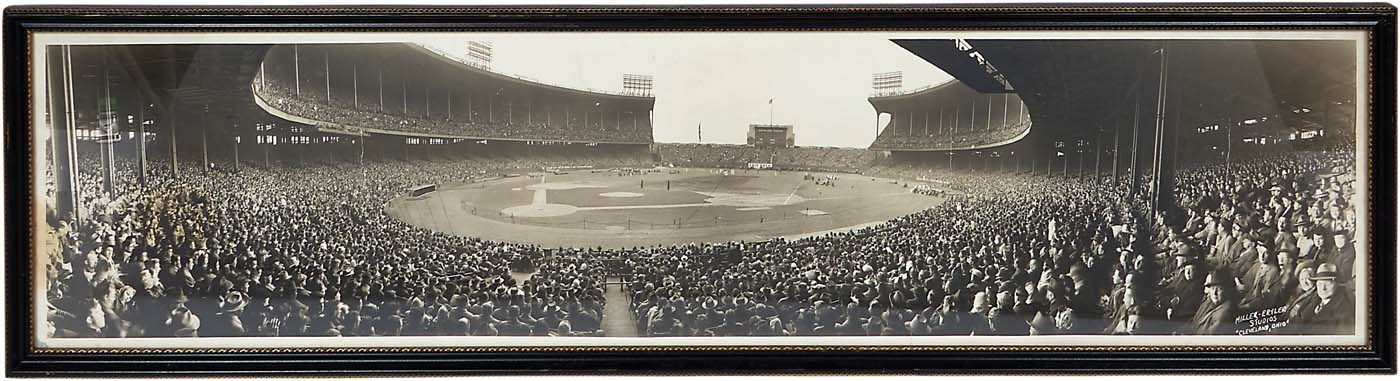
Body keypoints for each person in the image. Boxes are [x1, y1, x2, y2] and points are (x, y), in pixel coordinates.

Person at [1181, 268, 1239, 335]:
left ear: (1227, 291)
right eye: (1213, 288)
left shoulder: (1225, 312)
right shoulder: (1209, 303)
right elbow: (1194, 321)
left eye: (1219, 289)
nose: (1215, 293)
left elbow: (1207, 336)